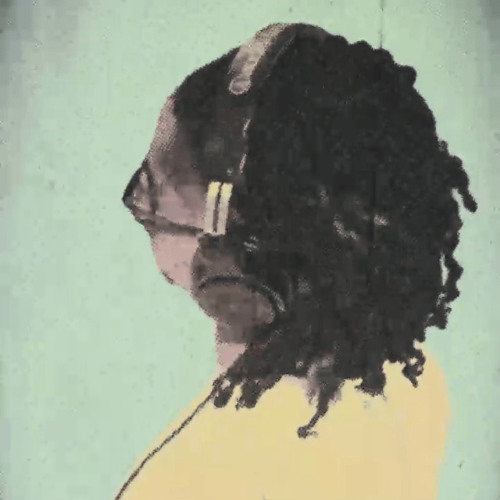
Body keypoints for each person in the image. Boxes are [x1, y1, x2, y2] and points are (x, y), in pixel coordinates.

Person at [116, 23, 477, 500]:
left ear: (227, 253)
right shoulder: (415, 382)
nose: (137, 201)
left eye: (153, 191)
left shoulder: (200, 475)